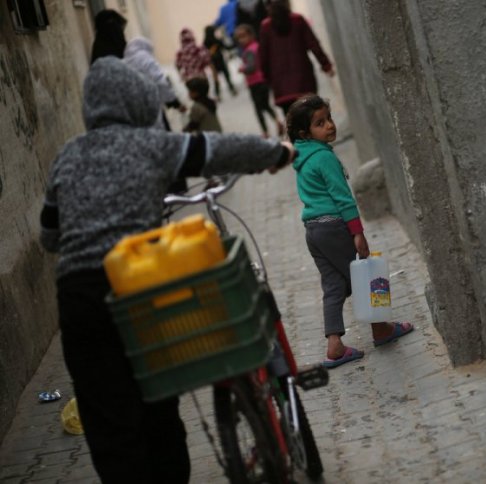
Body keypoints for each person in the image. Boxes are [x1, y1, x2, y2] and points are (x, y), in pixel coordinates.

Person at [39, 57, 294, 483]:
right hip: (134, 285)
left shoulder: (68, 156)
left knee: (107, 418)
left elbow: (49, 236)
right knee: (156, 403)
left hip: (78, 294)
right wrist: (277, 151)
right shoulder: (150, 145)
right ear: (140, 101)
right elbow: (219, 149)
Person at [286, 94, 413, 369]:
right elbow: (343, 198)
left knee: (333, 286)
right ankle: (381, 329)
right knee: (364, 276)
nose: (329, 126)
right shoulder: (323, 157)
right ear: (304, 132)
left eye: (329, 119)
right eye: (320, 123)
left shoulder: (303, 157)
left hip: (313, 231)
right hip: (333, 227)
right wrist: (357, 232)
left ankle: (335, 346)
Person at [258, 0, 335, 115]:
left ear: (268, 7)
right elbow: (314, 45)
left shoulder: (265, 26)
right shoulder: (298, 20)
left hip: (280, 84)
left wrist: (266, 78)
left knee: (292, 122)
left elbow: (263, 56)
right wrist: (326, 65)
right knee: (309, 118)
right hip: (304, 80)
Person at [123, 36, 185, 130]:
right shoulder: (146, 59)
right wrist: (174, 102)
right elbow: (160, 82)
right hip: (151, 107)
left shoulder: (123, 63)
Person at [234, 23, 283, 138]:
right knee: (265, 105)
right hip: (264, 80)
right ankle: (277, 121)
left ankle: (265, 132)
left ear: (251, 35)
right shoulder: (257, 46)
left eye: (243, 36)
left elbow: (251, 67)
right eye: (239, 37)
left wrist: (242, 69)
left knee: (258, 108)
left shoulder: (249, 51)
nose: (241, 40)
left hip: (255, 82)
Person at [203, 25, 238, 100]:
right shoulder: (217, 41)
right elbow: (227, 48)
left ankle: (218, 94)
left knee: (216, 79)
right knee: (226, 76)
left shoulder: (205, 43)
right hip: (220, 61)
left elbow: (204, 54)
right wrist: (235, 44)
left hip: (213, 63)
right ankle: (232, 90)